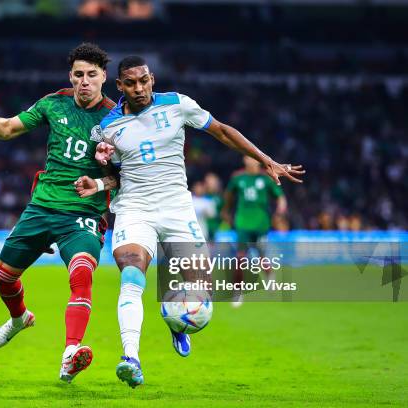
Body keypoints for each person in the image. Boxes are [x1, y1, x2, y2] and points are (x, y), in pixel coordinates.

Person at [75, 55, 304, 388]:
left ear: (152, 78)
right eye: (131, 83)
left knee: (201, 293)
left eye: (144, 80)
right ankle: (131, 358)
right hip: (134, 208)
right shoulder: (107, 127)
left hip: (177, 209)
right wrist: (100, 173)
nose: (139, 88)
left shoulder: (178, 105)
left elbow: (223, 132)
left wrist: (266, 160)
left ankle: (177, 323)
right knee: (132, 272)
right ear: (120, 86)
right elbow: (114, 180)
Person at [0, 43, 116, 383]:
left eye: (91, 75)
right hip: (42, 206)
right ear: (70, 77)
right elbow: (6, 129)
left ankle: (71, 352)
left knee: (82, 275)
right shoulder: (52, 103)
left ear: (104, 76)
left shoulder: (118, 118)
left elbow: (128, 173)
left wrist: (103, 180)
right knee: (2, 278)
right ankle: (19, 319)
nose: (84, 82)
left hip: (83, 212)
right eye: (78, 75)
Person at [223, 155, 288, 307]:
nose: (250, 161)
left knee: (261, 257)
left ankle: (270, 276)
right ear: (244, 160)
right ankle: (237, 293)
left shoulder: (266, 179)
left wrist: (280, 211)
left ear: (258, 161)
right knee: (240, 259)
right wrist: (226, 210)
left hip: (261, 225)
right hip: (242, 225)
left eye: (253, 158)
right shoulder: (238, 179)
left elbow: (280, 198)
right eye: (247, 158)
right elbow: (228, 196)